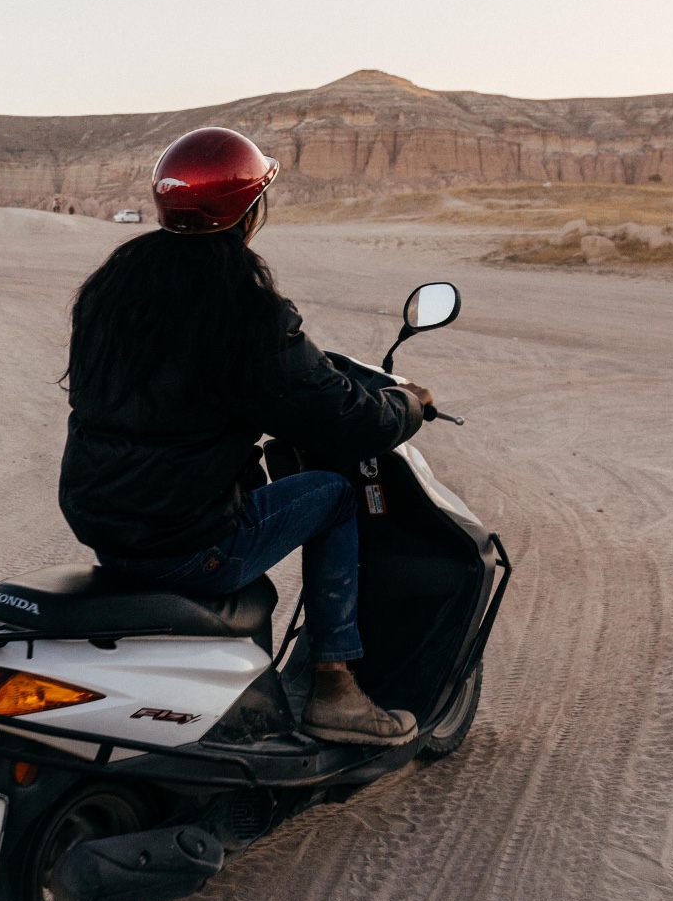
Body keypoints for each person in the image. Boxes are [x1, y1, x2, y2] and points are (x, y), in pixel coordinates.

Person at [57, 127, 431, 745]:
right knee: (336, 495)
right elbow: (343, 419)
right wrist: (405, 406)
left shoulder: (114, 288)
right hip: (185, 539)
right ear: (250, 211)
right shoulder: (242, 306)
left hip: (104, 523)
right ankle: (334, 687)